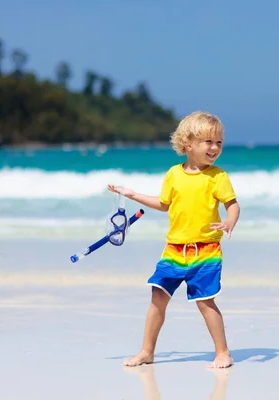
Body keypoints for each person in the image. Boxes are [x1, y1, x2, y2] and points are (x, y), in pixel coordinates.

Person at [107, 111, 240, 369]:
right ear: (188, 144)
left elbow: (233, 205)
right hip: (174, 250)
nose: (215, 148)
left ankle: (223, 352)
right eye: (208, 142)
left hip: (206, 251)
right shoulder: (173, 175)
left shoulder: (218, 177)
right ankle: (147, 351)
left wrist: (228, 222)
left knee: (205, 300)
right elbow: (163, 203)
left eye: (219, 143)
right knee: (158, 295)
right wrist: (132, 194)